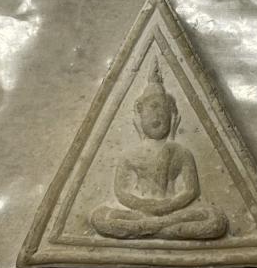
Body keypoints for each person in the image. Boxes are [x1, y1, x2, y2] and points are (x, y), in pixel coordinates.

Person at [91, 58, 227, 240]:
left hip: (172, 212)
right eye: (151, 110)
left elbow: (191, 190)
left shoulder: (182, 152)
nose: (157, 117)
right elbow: (121, 192)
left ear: (172, 116)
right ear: (139, 117)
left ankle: (148, 228)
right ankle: (162, 229)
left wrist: (167, 206)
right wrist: (144, 206)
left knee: (215, 220)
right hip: (139, 213)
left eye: (162, 111)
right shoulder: (129, 155)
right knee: (100, 217)